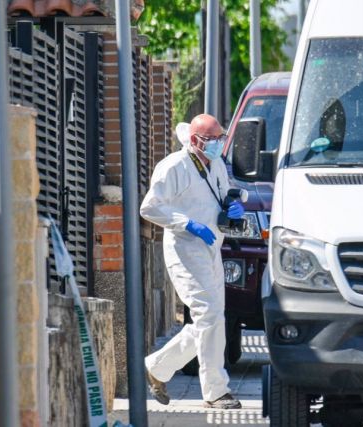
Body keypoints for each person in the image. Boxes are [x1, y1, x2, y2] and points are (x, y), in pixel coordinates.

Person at [140, 113, 244, 409]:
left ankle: (158, 368)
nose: (219, 145)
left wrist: (234, 204)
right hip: (185, 248)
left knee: (213, 318)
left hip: (212, 247)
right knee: (209, 315)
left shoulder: (217, 164)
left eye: (221, 139)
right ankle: (215, 392)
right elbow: (149, 207)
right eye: (214, 140)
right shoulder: (174, 166)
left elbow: (225, 195)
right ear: (197, 140)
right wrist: (186, 223)